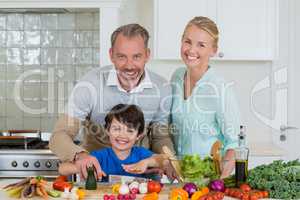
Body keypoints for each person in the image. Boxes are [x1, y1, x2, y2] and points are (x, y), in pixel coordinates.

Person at [49, 23, 175, 180]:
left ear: (147, 55)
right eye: (121, 56)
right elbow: (60, 134)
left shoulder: (162, 87)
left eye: (136, 56)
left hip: (144, 179)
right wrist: (79, 156)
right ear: (111, 55)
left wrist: (169, 161)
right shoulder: (89, 85)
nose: (129, 66)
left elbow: (160, 136)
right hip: (97, 176)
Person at [170, 16, 241, 178]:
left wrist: (218, 182)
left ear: (213, 50)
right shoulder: (176, 77)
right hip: (179, 180)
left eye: (201, 45)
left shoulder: (220, 88)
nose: (191, 50)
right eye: (187, 41)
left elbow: (234, 144)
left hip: (208, 180)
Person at [58, 104, 168, 181]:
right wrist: (86, 167)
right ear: (108, 130)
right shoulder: (100, 157)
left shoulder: (141, 155)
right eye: (116, 129)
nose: (122, 135)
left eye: (130, 131)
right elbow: (62, 169)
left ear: (138, 135)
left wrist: (147, 163)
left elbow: (165, 160)